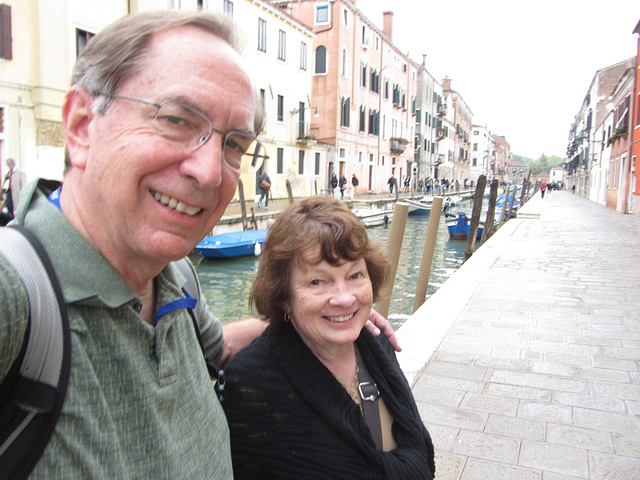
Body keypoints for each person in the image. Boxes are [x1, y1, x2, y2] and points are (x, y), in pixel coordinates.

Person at [0, 11, 398, 478]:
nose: (210, 172)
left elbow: (219, 349)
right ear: (83, 125)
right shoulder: (15, 295)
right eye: (176, 119)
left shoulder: (175, 278)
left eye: (233, 145)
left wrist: (321, 312)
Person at [223, 196, 436, 479]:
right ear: (284, 296)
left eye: (355, 275)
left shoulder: (378, 346)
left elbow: (418, 445)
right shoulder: (253, 382)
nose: (345, 298)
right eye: (317, 281)